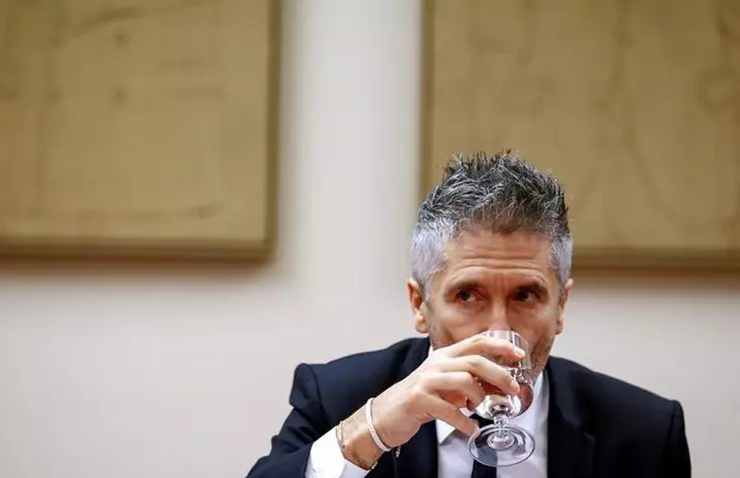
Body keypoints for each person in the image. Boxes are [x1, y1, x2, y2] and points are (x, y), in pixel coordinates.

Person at [245, 151, 691, 478]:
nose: (498, 331)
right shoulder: (337, 396)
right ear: (419, 305)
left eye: (525, 296)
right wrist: (373, 430)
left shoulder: (645, 430)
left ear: (561, 307)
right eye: (467, 295)